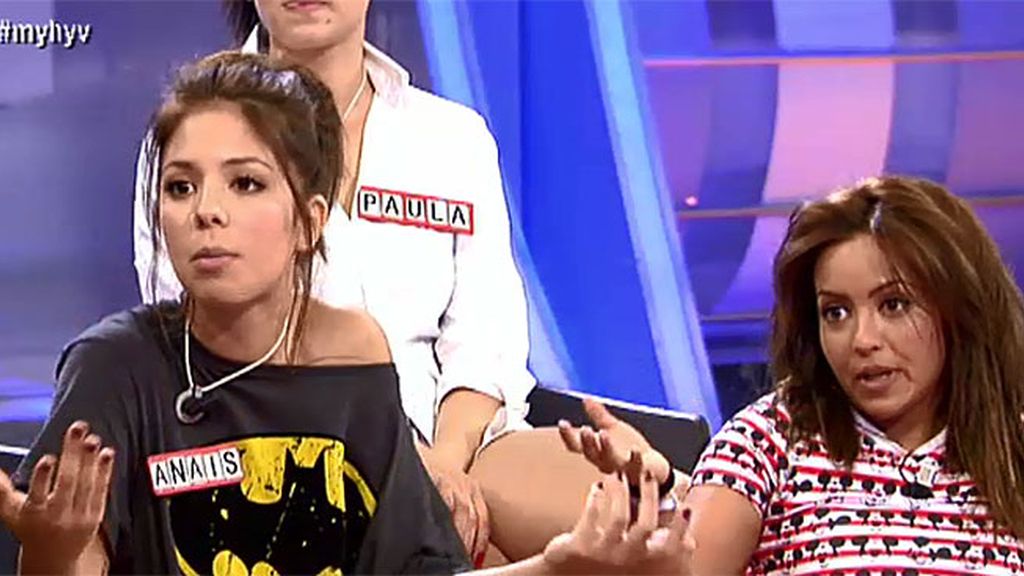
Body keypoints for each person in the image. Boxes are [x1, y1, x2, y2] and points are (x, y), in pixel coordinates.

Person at [1, 51, 691, 576]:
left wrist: (561, 567)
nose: (206, 211)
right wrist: (53, 551)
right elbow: (69, 560)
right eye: (181, 187)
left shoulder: (354, 358)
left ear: (309, 222)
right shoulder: (114, 366)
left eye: (245, 183)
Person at [561, 176, 1024, 574]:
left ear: (959, 308)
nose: (862, 339)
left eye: (893, 305)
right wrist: (657, 496)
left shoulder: (1013, 448)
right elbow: (689, 563)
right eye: (836, 312)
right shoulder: (771, 438)